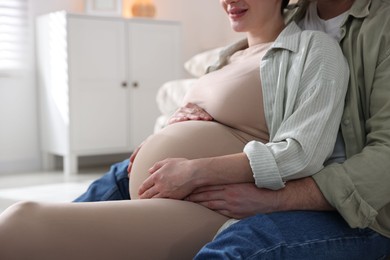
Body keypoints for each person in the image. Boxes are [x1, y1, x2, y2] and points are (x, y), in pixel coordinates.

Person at [0, 0, 349, 259]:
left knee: (21, 221)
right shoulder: (225, 57)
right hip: (156, 186)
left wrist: (194, 169)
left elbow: (303, 152)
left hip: (209, 204)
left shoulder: (312, 50)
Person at [193, 0, 390, 258]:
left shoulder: (382, 24)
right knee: (121, 177)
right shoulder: (288, 19)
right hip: (269, 181)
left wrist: (276, 200)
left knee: (246, 243)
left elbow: (386, 157)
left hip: (363, 219)